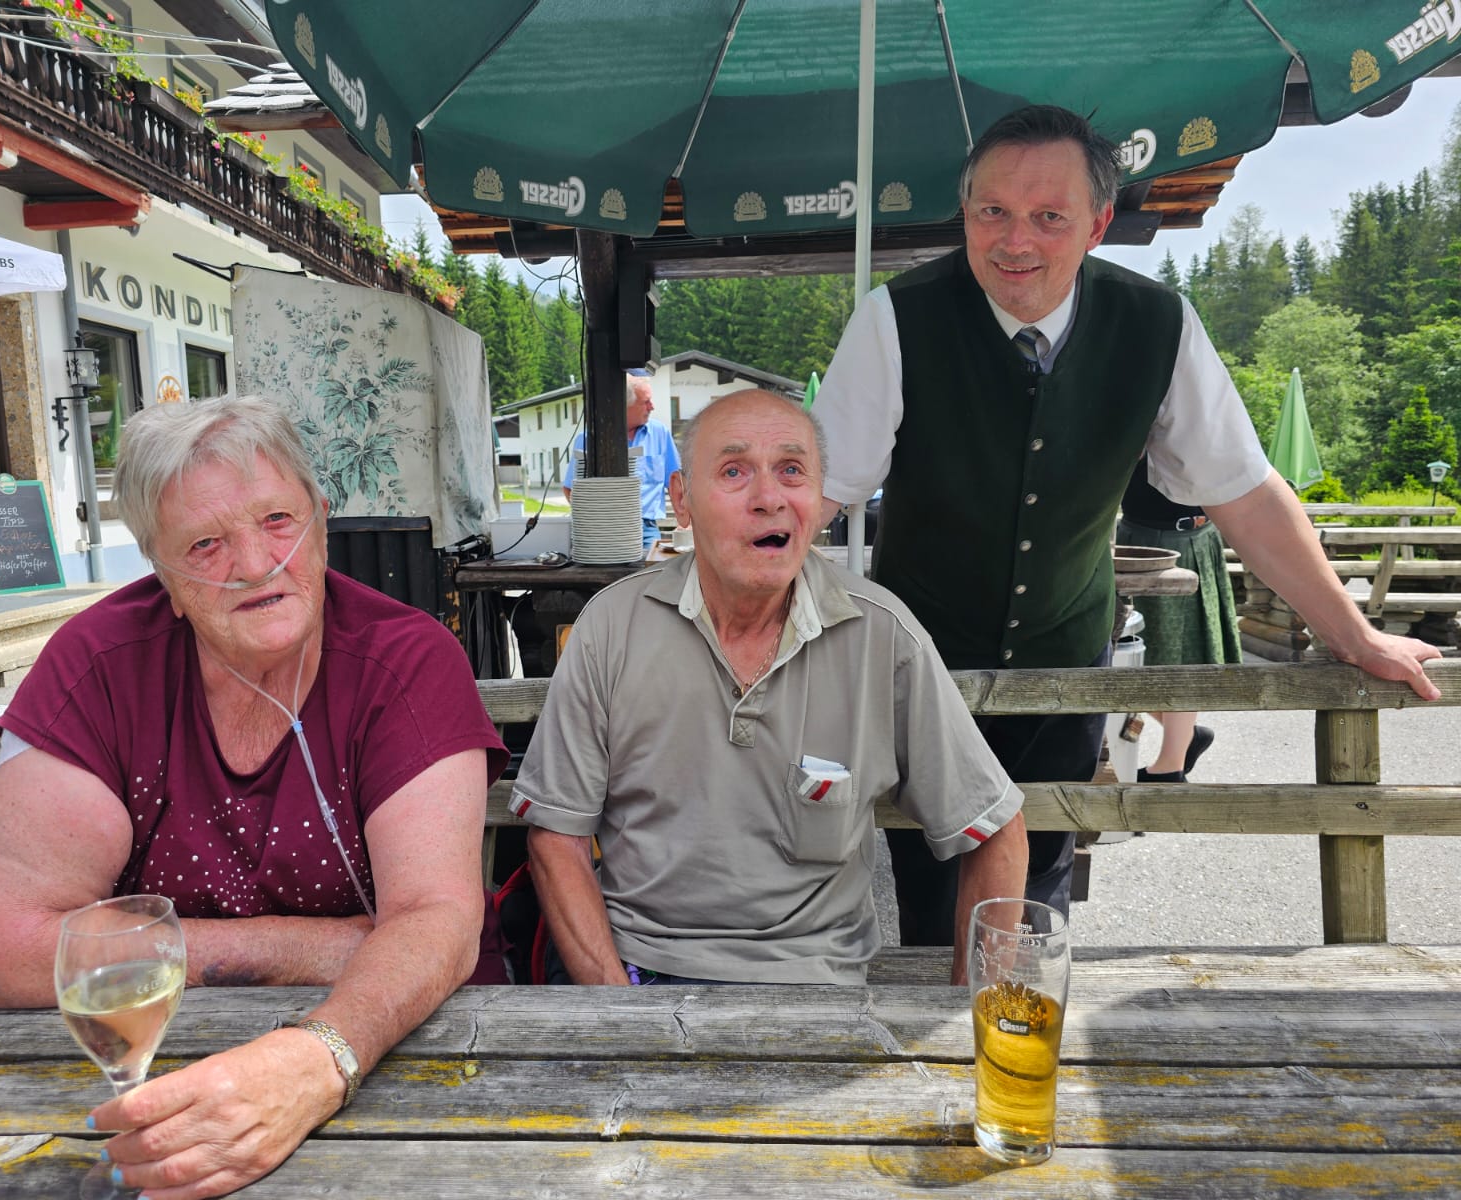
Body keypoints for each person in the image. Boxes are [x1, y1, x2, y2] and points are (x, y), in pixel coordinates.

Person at [813, 104, 1441, 947]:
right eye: (992, 211)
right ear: (964, 212)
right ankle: (943, 1023)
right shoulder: (896, 317)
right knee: (931, 896)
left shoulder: (1157, 322)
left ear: (1098, 223)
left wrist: (1354, 635)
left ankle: (1020, 1014)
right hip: (923, 667)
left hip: (1069, 658)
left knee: (1041, 888)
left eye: (1049, 216)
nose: (1015, 241)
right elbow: (818, 492)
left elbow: (1245, 493)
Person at [0, 395, 507, 1200]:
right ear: (163, 576)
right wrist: (327, 947)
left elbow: (436, 922)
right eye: (205, 544)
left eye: (278, 520)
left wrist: (317, 1057)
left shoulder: (405, 661)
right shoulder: (100, 667)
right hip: (160, 1061)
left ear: (320, 524)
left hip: (401, 1044)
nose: (254, 564)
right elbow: (0, 947)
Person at [513, 388, 1026, 986]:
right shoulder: (612, 626)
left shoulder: (881, 634)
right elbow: (556, 836)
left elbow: (996, 830)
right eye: (734, 471)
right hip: (640, 967)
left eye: (791, 471)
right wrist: (618, 1007)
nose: (769, 498)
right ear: (682, 500)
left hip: (816, 981)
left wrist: (971, 1014)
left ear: (819, 496)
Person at [1117, 456, 1236, 781]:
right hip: (1134, 534)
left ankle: (1170, 766)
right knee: (1125, 651)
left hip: (1188, 537)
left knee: (1183, 657)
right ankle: (1184, 738)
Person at [562, 368, 681, 550]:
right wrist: (592, 523)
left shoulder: (660, 433)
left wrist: (685, 522)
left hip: (646, 529)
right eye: (646, 402)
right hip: (602, 530)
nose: (652, 407)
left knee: (653, 567)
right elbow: (571, 488)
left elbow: (677, 482)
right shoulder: (588, 439)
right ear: (623, 405)